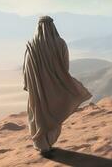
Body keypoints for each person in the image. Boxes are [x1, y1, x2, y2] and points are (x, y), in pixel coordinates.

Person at [23, 16, 92, 154]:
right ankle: (47, 144)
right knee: (53, 112)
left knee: (38, 114)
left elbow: (26, 68)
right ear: (53, 26)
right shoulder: (60, 43)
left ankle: (41, 145)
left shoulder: (31, 44)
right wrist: (57, 79)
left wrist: (29, 84)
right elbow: (65, 66)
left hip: (36, 88)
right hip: (54, 86)